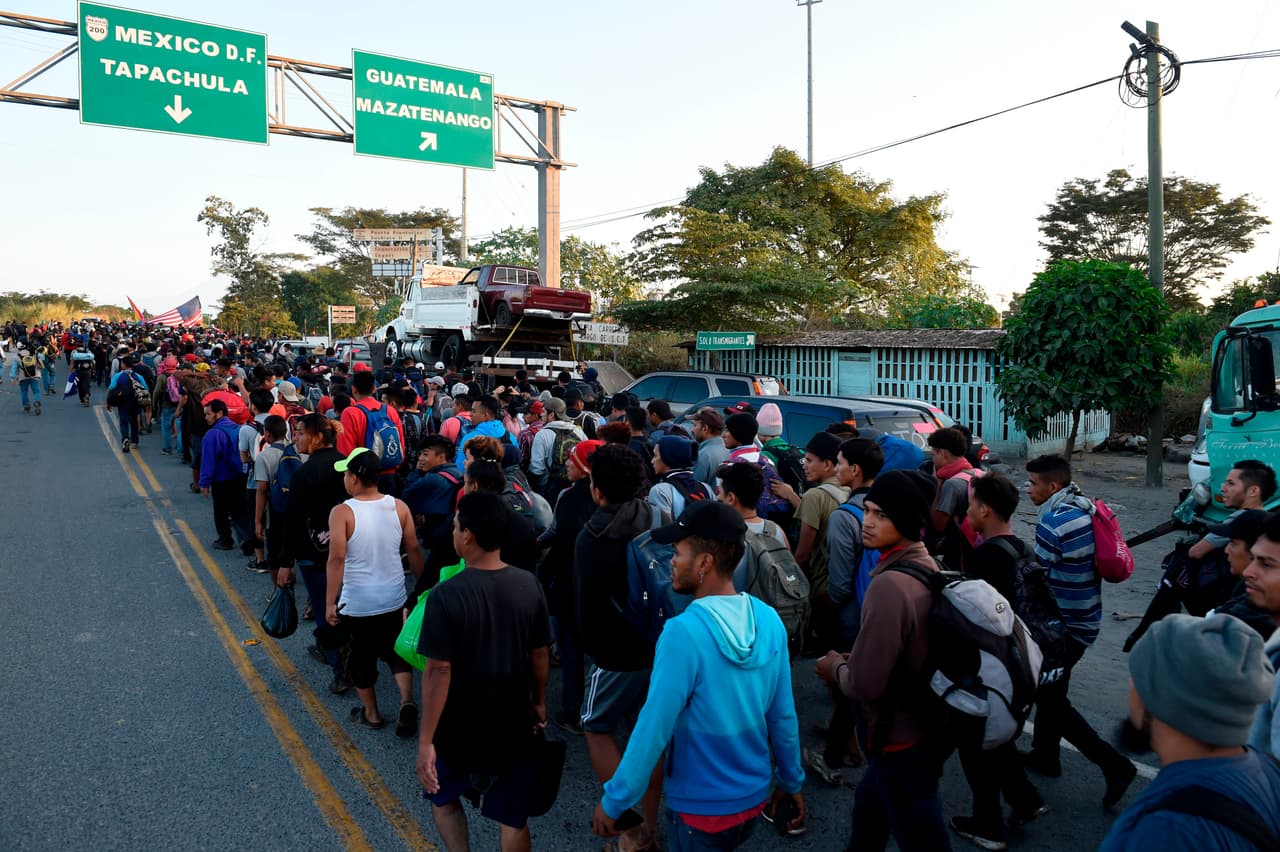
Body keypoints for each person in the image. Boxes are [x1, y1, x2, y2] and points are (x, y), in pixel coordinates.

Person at [593, 500, 807, 849]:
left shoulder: (683, 632)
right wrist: (791, 779)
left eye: (677, 552)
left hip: (700, 808)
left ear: (705, 563)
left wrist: (615, 800)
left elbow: (653, 727)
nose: (671, 562)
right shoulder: (768, 619)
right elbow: (782, 715)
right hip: (752, 798)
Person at [817, 469, 951, 852]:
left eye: (882, 515)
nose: (868, 522)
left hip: (900, 738)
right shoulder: (926, 564)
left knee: (922, 838)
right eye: (868, 510)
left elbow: (864, 685)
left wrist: (835, 667)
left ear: (907, 520)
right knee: (869, 814)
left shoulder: (890, 585)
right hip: (924, 728)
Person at [417, 491, 552, 852]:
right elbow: (539, 653)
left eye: (456, 527)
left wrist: (426, 740)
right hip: (513, 720)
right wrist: (539, 702)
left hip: (458, 724)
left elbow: (438, 672)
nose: (453, 533)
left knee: (442, 795)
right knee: (513, 816)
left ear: (469, 536)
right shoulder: (528, 584)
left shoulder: (446, 594)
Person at [1099, 614, 1280, 851]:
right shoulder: (1269, 771)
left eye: (1139, 678)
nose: (1131, 684)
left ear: (1164, 698)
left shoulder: (1166, 833)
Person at [1024, 454, 1137, 806]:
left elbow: (1037, 577)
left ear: (1052, 486)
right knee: (1051, 690)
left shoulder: (1054, 522)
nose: (1027, 489)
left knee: (1049, 696)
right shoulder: (1085, 507)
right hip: (1086, 616)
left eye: (1032, 484)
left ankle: (1115, 765)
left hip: (1064, 626)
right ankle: (1045, 756)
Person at [949, 473, 1050, 849]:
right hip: (1024, 656)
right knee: (999, 735)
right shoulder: (1023, 547)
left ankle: (987, 823)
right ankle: (1025, 799)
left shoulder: (986, 557)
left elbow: (975, 615)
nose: (967, 512)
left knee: (975, 744)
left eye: (971, 505)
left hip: (993, 664)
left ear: (984, 510)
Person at [574, 444, 662, 851]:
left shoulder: (592, 536)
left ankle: (628, 828)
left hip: (615, 651)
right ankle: (650, 826)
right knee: (649, 736)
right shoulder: (656, 517)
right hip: (658, 643)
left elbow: (586, 604)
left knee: (595, 725)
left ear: (597, 489)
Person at [325, 447, 423, 734]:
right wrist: (421, 589)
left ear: (354, 478)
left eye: (346, 474)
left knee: (361, 658)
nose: (344, 479)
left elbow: (336, 559)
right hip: (394, 596)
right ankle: (406, 700)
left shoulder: (342, 512)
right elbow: (413, 549)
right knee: (395, 651)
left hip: (359, 602)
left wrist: (330, 602)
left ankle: (372, 713)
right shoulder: (399, 506)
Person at [807, 437, 884, 787]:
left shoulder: (846, 515)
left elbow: (839, 582)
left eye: (839, 463)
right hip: (877, 604)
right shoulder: (885, 506)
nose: (836, 469)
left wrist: (827, 605)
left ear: (854, 469)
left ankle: (842, 751)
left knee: (846, 679)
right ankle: (843, 744)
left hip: (850, 611)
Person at [537, 438, 604, 735]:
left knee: (571, 651)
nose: (566, 462)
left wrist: (535, 553)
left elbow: (557, 536)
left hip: (569, 586)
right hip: (605, 588)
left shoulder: (568, 497)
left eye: (571, 459)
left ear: (584, 468)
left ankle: (573, 711)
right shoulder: (623, 500)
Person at [281, 414, 352, 694]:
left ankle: (340, 671)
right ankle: (344, 655)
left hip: (314, 553)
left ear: (318, 437)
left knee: (326, 610)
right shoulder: (347, 464)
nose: (296, 438)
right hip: (349, 551)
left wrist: (285, 562)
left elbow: (292, 520)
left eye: (300, 432)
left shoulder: (304, 473)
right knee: (347, 608)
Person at [771, 431, 850, 652]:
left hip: (821, 584)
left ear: (828, 464)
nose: (804, 465)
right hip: (844, 581)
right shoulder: (849, 489)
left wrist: (789, 584)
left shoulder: (815, 496)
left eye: (809, 460)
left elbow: (803, 553)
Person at [337, 370, 406, 495]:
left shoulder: (350, 413)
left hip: (363, 480)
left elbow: (345, 451)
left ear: (354, 389)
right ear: (374, 388)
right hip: (389, 475)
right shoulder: (390, 411)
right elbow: (400, 444)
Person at [927, 426, 984, 572]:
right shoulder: (979, 474)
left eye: (934, 454)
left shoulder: (952, 484)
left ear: (943, 453)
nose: (933, 459)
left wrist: (938, 484)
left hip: (959, 555)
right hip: (981, 548)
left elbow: (938, 524)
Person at [199, 398, 247, 551]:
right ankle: (247, 539)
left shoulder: (212, 435)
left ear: (218, 414)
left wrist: (204, 483)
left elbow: (208, 461)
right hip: (239, 476)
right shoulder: (238, 429)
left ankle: (225, 540)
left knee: (221, 511)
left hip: (221, 479)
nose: (206, 417)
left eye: (208, 414)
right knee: (239, 510)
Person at [648, 435, 715, 528]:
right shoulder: (706, 488)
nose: (652, 461)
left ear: (668, 458)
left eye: (655, 456)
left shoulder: (660, 491)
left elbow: (662, 531)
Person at [528, 397, 586, 497]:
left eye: (543, 411)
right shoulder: (578, 431)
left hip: (551, 489)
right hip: (576, 487)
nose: (541, 414)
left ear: (551, 415)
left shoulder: (542, 435)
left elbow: (537, 469)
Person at [690, 408, 729, 487]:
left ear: (705, 428)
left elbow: (693, 488)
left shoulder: (704, 455)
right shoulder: (727, 449)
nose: (692, 430)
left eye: (695, 425)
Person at [9, 346, 43, 415]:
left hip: (23, 377)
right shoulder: (34, 353)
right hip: (34, 376)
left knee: (24, 391)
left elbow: (14, 368)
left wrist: (12, 377)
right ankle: (37, 401)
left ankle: (26, 406)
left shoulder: (17, 356)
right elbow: (41, 360)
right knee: (36, 390)